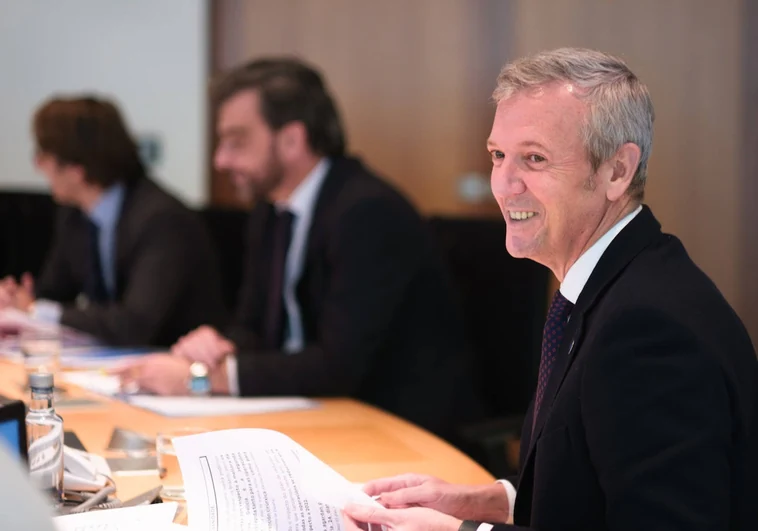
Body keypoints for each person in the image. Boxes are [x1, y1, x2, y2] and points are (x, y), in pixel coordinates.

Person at [343, 48, 758, 530]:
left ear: (617, 171)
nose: (503, 184)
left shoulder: (648, 328)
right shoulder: (612, 283)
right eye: (499, 155)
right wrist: (487, 501)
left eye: (534, 159)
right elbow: (595, 487)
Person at [119, 58, 481, 438]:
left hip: (398, 427)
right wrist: (217, 348)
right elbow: (254, 326)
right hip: (313, 414)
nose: (221, 160)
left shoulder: (367, 212)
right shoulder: (270, 211)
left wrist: (205, 379)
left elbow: (339, 363)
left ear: (292, 140)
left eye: (236, 142)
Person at [0, 96, 227, 347]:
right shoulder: (75, 214)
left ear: (76, 169)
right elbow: (53, 292)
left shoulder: (163, 221)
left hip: (177, 365)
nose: (37, 165)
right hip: (113, 363)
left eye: (43, 155)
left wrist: (35, 308)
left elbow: (135, 324)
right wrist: (20, 300)